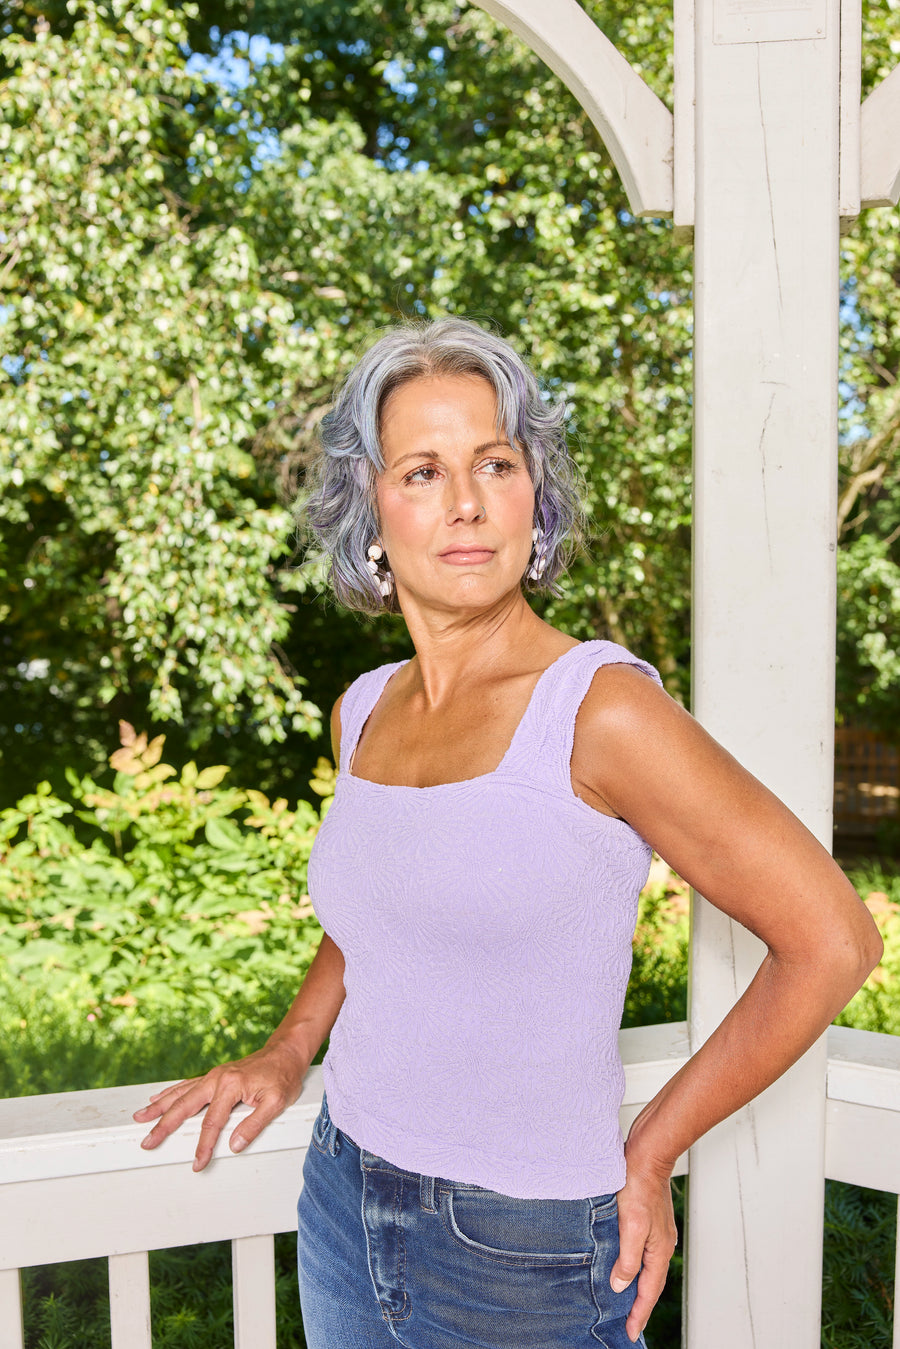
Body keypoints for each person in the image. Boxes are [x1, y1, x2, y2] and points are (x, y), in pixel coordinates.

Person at [134, 318, 882, 1348]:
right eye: (423, 471)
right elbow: (380, 913)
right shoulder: (364, 709)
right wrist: (287, 1046)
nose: (468, 502)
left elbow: (834, 941)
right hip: (343, 1192)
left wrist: (654, 1144)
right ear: (369, 507)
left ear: (536, 493)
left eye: (495, 462)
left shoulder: (600, 710)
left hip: (524, 1250)